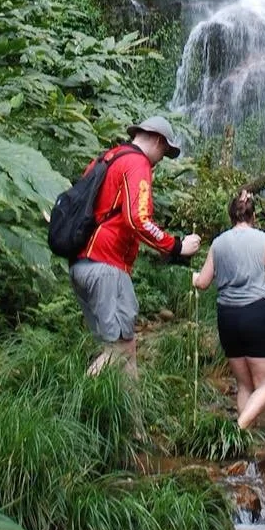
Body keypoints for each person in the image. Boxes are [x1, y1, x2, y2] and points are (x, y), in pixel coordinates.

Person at [70, 115, 200, 376]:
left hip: (81, 264)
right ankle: (71, 404)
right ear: (157, 140)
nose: (161, 159)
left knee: (124, 347)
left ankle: (130, 416)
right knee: (118, 351)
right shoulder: (137, 163)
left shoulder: (107, 159)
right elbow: (137, 219)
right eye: (164, 151)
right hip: (107, 267)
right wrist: (176, 246)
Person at [191, 189, 265, 430]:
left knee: (246, 386)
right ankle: (238, 430)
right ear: (254, 216)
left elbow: (204, 282)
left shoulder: (218, 243)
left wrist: (195, 277)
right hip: (257, 313)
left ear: (231, 215)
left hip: (227, 316)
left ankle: (247, 453)